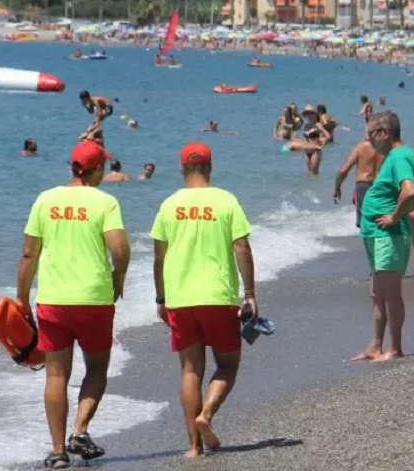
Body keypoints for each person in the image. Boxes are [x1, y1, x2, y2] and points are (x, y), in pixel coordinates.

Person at [17, 140, 131, 469]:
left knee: (56, 375)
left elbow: (29, 254)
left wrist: (22, 298)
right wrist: (119, 276)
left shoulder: (45, 199)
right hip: (94, 300)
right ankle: (80, 430)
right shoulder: (105, 202)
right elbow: (119, 248)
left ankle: (58, 453)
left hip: (53, 300)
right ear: (97, 170)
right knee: (96, 367)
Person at [151, 142, 256, 458]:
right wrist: (250, 294)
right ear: (210, 168)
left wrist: (161, 297)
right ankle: (206, 414)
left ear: (182, 169)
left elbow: (159, 258)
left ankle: (193, 447)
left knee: (189, 370)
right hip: (217, 297)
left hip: (180, 298)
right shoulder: (226, 200)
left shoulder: (169, 205)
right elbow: (241, 248)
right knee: (227, 364)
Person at [353, 111, 414, 362]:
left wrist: (395, 216)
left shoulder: (400, 156)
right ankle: (375, 345)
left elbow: (411, 190)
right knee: (377, 292)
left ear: (384, 133)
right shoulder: (395, 157)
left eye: (371, 134)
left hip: (389, 235)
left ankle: (395, 348)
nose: (368, 140)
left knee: (390, 293)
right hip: (376, 233)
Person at [334, 139, 382, 228]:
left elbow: (344, 170)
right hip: (382, 186)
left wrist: (337, 188)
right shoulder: (387, 147)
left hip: (363, 185)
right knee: (380, 220)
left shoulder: (361, 147)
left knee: (365, 222)